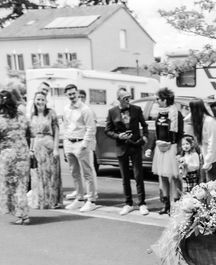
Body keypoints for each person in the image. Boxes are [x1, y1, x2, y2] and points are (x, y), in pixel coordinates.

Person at [105, 88, 149, 216]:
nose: (128, 100)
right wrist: (118, 136)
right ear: (119, 99)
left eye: (129, 98)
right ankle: (128, 203)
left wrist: (145, 137)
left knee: (138, 175)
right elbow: (107, 130)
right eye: (125, 98)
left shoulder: (136, 109)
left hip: (135, 145)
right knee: (125, 177)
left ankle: (142, 203)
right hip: (121, 146)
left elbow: (144, 125)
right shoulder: (112, 112)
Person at [146, 87, 184, 215]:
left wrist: (179, 150)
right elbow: (157, 133)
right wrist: (150, 148)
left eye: (158, 99)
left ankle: (177, 204)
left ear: (165, 99)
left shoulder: (176, 114)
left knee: (174, 177)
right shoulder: (160, 113)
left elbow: (180, 134)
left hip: (171, 147)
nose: (156, 101)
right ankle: (166, 204)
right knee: (162, 177)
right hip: (160, 148)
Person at [61, 84, 98, 212]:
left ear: (77, 93)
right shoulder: (66, 109)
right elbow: (65, 126)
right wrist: (66, 142)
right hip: (69, 143)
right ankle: (79, 198)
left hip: (81, 144)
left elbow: (91, 128)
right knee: (74, 172)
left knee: (87, 173)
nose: (72, 96)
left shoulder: (85, 109)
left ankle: (91, 200)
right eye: (69, 94)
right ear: (66, 95)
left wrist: (84, 144)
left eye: (73, 93)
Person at [0, 89, 30, 224]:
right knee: (21, 184)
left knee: (10, 185)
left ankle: (19, 213)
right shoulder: (21, 115)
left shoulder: (1, 118)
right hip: (23, 154)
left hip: (8, 155)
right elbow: (29, 131)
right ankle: (24, 215)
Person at [28, 90, 62, 209]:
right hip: (37, 146)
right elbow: (31, 134)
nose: (40, 101)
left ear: (46, 101)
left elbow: (57, 130)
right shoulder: (32, 115)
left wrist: (56, 148)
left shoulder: (51, 113)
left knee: (51, 174)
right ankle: (41, 201)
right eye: (38, 99)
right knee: (39, 175)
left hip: (49, 144)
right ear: (35, 100)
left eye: (42, 99)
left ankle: (53, 201)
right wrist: (31, 149)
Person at [185, 98, 216, 182]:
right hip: (209, 159)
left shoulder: (210, 122)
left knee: (214, 190)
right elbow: (186, 120)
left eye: (190, 108)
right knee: (208, 189)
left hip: (215, 159)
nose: (188, 110)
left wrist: (207, 162)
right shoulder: (202, 121)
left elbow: (213, 143)